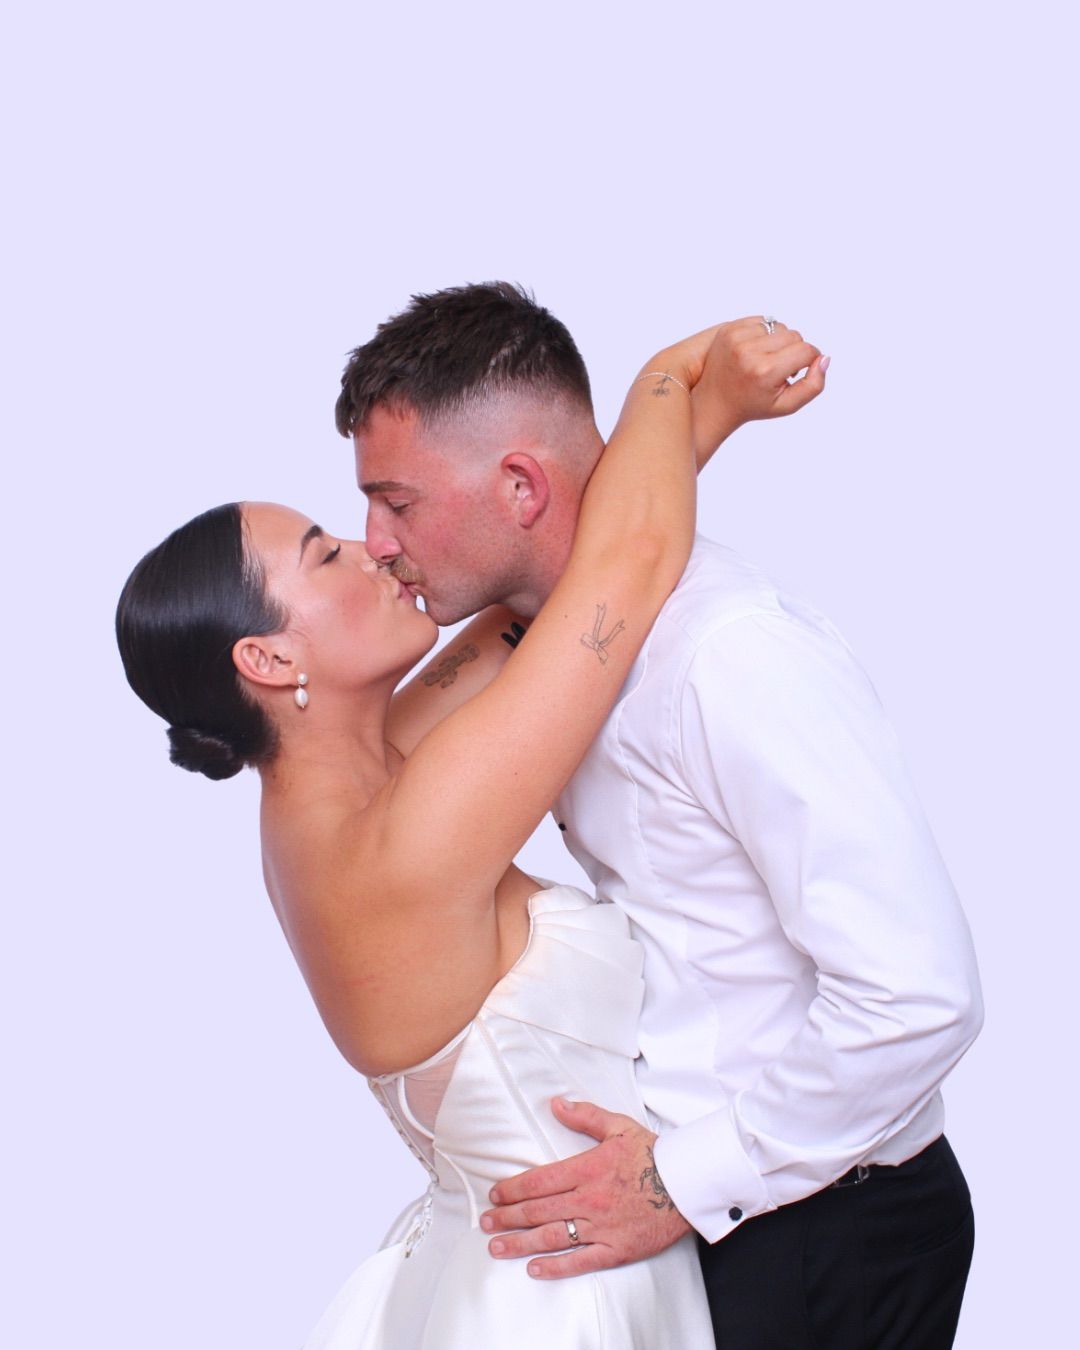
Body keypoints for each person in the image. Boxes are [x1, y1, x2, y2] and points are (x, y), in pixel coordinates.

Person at [116, 320, 809, 1347]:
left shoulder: (345, 778)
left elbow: (544, 597)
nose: (376, 546)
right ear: (267, 659)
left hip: (542, 1264)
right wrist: (672, 374)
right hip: (562, 1299)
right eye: (325, 552)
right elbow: (628, 566)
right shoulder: (403, 840)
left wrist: (697, 424)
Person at [336, 283, 983, 1349]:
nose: (374, 540)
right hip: (704, 1225)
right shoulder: (551, 655)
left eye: (396, 500)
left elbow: (921, 995)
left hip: (819, 1229)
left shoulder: (729, 658)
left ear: (520, 484)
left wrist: (686, 1180)